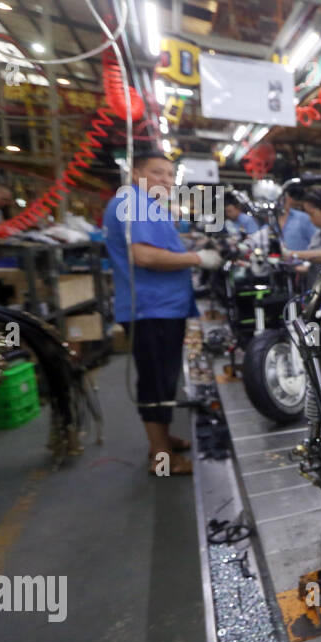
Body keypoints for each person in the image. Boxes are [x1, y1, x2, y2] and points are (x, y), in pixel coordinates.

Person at [103, 148, 223, 477]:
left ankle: (164, 440)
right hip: (150, 309)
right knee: (156, 383)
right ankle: (161, 459)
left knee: (165, 379)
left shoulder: (148, 206)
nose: (166, 181)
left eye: (170, 175)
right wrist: (200, 259)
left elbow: (162, 248)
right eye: (158, 173)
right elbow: (144, 256)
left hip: (162, 307)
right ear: (137, 173)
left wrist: (190, 247)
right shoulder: (134, 203)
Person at [279, 187, 315, 252]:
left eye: (283, 198)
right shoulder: (261, 221)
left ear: (289, 198)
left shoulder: (303, 218)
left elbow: (318, 246)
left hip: (301, 261)